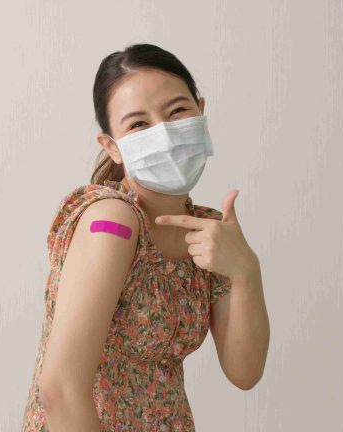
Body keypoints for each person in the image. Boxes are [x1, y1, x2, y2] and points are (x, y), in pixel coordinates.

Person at [21, 43, 269, 431]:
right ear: (112, 147)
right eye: (139, 124)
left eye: (177, 112)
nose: (165, 133)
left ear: (201, 112)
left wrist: (246, 271)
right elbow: (60, 390)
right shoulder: (113, 223)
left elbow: (245, 372)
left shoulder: (204, 231)